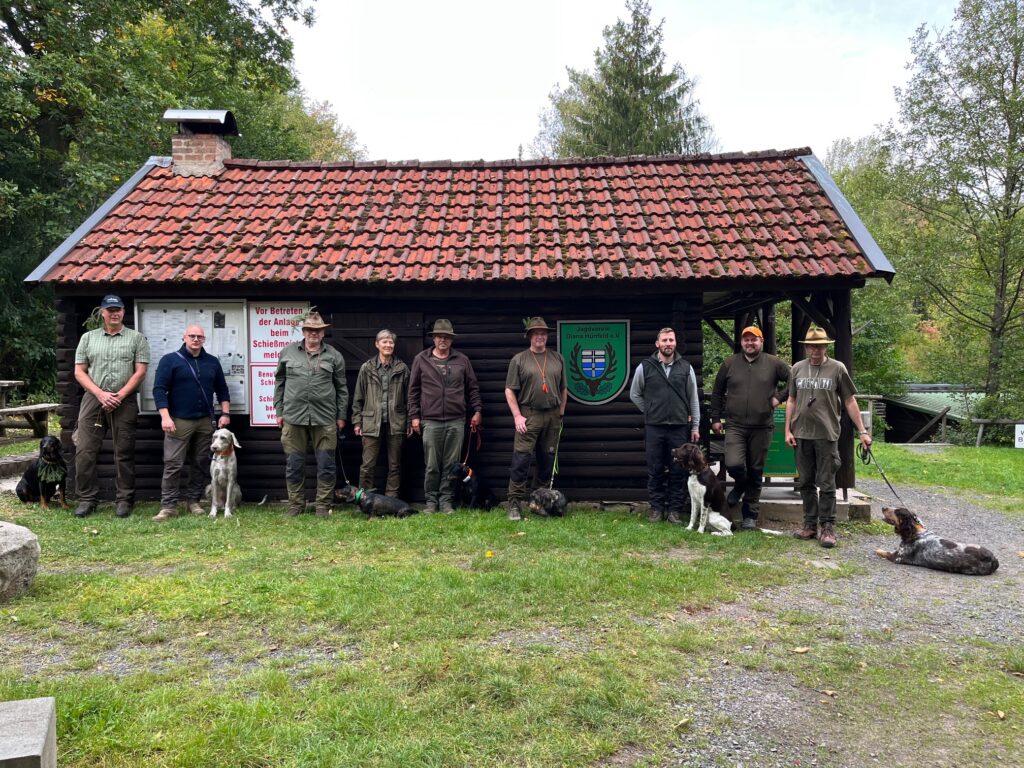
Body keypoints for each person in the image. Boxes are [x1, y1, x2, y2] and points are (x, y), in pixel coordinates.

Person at [784, 326, 872, 548]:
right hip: (801, 434)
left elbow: (850, 400)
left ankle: (828, 527)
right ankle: (809, 525)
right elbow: (791, 400)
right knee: (805, 482)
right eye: (812, 345)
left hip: (827, 434)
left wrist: (862, 431)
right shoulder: (797, 369)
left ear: (826, 347)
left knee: (826, 483)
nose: (816, 349)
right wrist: (787, 429)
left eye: (820, 345)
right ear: (806, 347)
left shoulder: (837, 369)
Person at [72, 294, 150, 518]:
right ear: (102, 313)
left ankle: (124, 499)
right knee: (85, 450)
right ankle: (87, 499)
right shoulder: (87, 338)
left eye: (118, 309)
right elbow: (79, 371)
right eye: (110, 310)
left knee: (123, 452)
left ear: (124, 312)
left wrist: (119, 394)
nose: (114, 313)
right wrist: (100, 394)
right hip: (93, 399)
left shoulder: (137, 339)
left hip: (124, 401)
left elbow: (141, 371)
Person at [709, 325, 791, 530]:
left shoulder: (774, 363)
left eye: (754, 339)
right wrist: (715, 418)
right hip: (735, 425)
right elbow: (717, 392)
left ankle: (750, 515)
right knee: (734, 463)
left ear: (761, 341)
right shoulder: (729, 363)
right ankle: (739, 484)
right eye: (746, 340)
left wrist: (779, 397)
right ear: (742, 342)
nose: (749, 343)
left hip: (762, 426)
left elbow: (794, 379)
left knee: (756, 470)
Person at [151, 324, 232, 522]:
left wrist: (225, 413)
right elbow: (159, 389)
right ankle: (168, 506)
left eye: (200, 337)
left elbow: (222, 389)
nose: (196, 339)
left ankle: (193, 501)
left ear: (204, 339)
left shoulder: (212, 362)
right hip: (178, 420)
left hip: (205, 421)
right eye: (192, 336)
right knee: (173, 464)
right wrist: (165, 416)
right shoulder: (169, 360)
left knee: (201, 462)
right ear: (184, 337)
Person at [274, 310, 349, 518]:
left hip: (325, 418)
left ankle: (323, 506)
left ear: (323, 333)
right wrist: (279, 410)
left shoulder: (334, 356)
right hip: (293, 417)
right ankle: (296, 505)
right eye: (309, 330)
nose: (313, 333)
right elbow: (279, 383)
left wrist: (341, 415)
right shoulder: (288, 352)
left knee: (326, 465)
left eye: (317, 330)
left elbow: (342, 388)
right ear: (304, 331)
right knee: (294, 465)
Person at [407, 319, 483, 514]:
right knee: (432, 464)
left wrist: (477, 411)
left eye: (447, 337)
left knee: (451, 464)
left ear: (451, 340)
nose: (443, 340)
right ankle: (431, 501)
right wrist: (414, 416)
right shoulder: (421, 359)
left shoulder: (462, 360)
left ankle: (446, 501)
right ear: (433, 338)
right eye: (440, 336)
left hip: (456, 420)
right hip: (430, 420)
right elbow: (413, 390)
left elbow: (472, 388)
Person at [629, 327, 700, 524]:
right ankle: (656, 509)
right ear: (657, 344)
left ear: (675, 343)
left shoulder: (686, 368)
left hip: (678, 426)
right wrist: (650, 410)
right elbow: (634, 394)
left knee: (678, 470)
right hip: (654, 427)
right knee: (655, 469)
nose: (668, 343)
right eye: (665, 340)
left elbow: (693, 399)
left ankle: (675, 511)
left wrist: (695, 426)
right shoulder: (646, 366)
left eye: (671, 340)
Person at [504, 317, 568, 521]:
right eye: (536, 333)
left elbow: (563, 389)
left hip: (552, 415)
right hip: (529, 415)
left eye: (543, 333)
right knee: (521, 460)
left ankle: (540, 503)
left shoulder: (558, 358)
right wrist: (517, 416)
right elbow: (509, 390)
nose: (540, 336)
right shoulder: (519, 360)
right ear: (530, 336)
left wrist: (561, 411)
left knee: (546, 461)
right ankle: (514, 504)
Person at [352, 329, 409, 497]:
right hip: (371, 422)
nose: (388, 345)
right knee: (367, 465)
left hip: (396, 422)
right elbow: (358, 397)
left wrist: (409, 420)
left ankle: (391, 500)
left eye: (391, 342)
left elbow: (410, 398)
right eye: (384, 342)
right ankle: (364, 499)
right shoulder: (367, 368)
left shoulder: (402, 368)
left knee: (395, 465)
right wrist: (357, 421)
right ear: (377, 344)